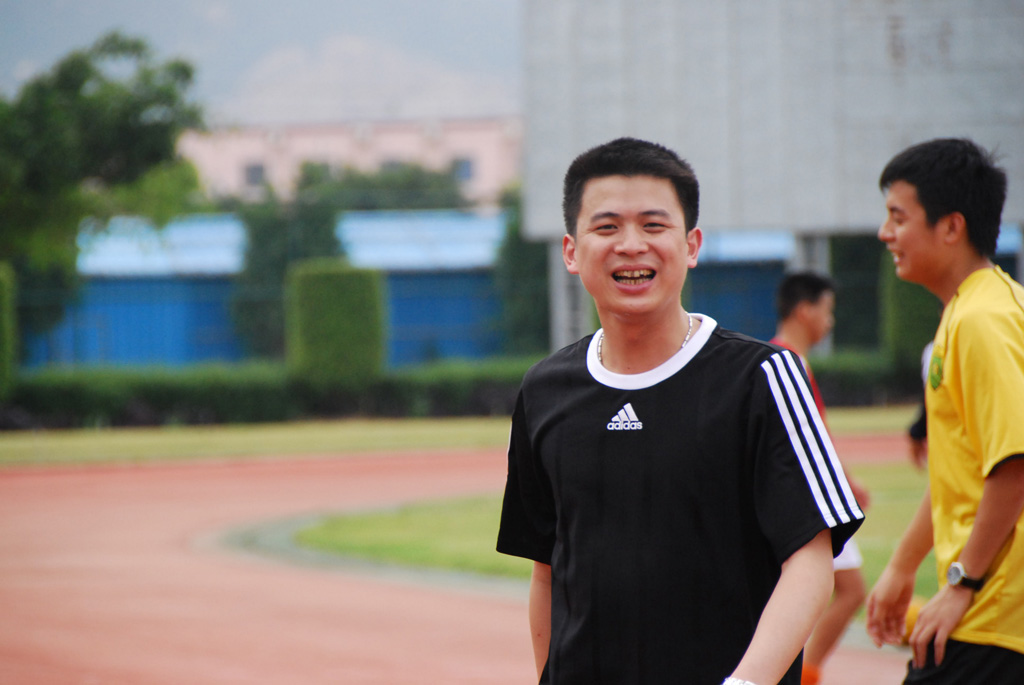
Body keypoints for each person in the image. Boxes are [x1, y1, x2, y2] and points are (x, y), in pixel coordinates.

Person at [497, 137, 864, 685]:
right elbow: (548, 573)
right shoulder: (544, 390)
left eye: (653, 225)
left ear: (691, 245)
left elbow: (810, 561)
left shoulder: (763, 377)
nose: (631, 245)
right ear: (572, 252)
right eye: (606, 227)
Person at [866, 137, 1024, 682]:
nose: (885, 233)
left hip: (995, 617)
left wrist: (962, 584)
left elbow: (1014, 463)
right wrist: (901, 567)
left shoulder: (983, 320)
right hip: (991, 614)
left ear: (951, 226)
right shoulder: (968, 311)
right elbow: (962, 468)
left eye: (898, 217)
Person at [770, 272, 871, 685]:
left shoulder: (785, 360)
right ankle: (800, 675)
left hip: (804, 498)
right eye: (827, 311)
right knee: (851, 590)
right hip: (809, 501)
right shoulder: (786, 362)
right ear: (804, 310)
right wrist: (845, 484)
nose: (831, 321)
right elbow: (810, 440)